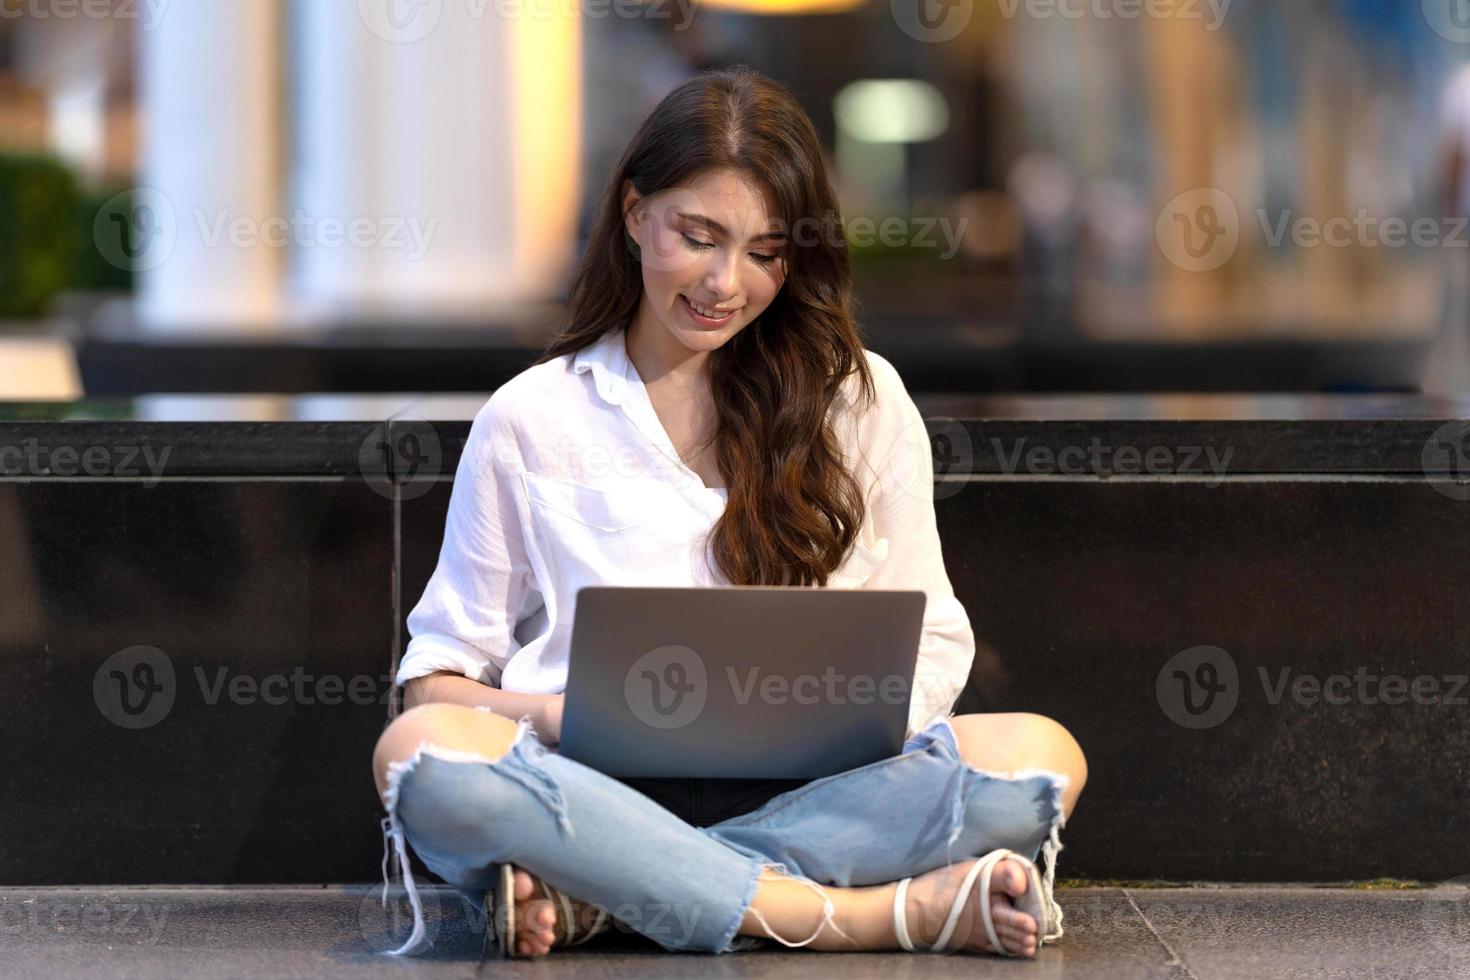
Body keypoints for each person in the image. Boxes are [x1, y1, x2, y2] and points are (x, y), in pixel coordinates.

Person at [369, 65, 1088, 961]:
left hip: (819, 798)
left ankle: (610, 896)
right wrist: (574, 712)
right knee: (423, 757)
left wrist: (832, 717)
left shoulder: (857, 402)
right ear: (634, 214)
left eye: (763, 251)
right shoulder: (534, 415)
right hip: (590, 793)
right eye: (698, 236)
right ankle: (867, 916)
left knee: (1036, 758)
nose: (724, 282)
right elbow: (435, 680)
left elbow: (937, 639)